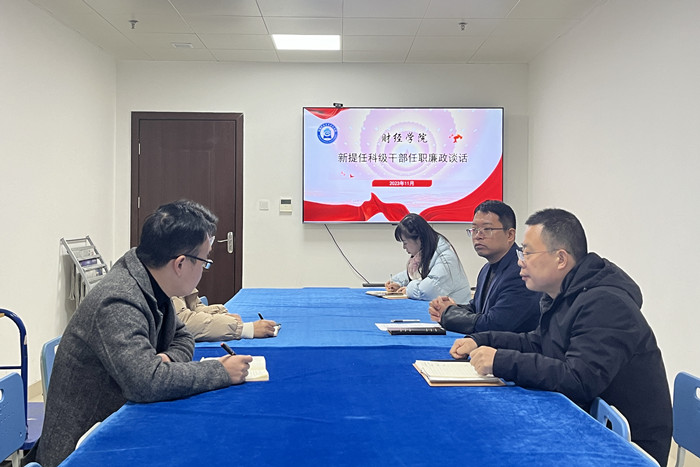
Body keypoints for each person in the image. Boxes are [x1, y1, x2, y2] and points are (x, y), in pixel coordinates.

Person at [33, 200, 253, 467]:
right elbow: (146, 383)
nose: (204, 270)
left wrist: (167, 360)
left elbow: (183, 337)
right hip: (82, 450)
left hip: (118, 425)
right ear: (180, 264)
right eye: (204, 262)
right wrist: (220, 371)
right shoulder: (119, 300)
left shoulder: (152, 284)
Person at [449, 208, 672, 465]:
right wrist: (482, 340)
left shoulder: (605, 304)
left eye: (527, 253)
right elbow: (537, 342)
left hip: (623, 447)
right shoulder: (564, 294)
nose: (520, 261)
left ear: (560, 259)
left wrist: (500, 361)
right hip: (585, 420)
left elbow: (579, 379)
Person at [428, 200, 540, 334]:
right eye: (474, 229)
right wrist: (450, 308)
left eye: (487, 229)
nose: (478, 236)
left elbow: (494, 325)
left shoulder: (522, 271)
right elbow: (477, 310)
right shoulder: (486, 269)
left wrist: (449, 313)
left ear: (510, 235)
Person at [385, 213, 470, 303]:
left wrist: (408, 289)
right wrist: (397, 282)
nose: (404, 247)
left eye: (405, 243)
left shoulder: (446, 259)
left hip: (458, 309)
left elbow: (428, 291)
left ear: (419, 239)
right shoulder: (427, 255)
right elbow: (415, 274)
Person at [172, 288, 278, 341]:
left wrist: (221, 315)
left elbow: (195, 307)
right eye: (203, 263)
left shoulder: (180, 279)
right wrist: (244, 329)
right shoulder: (169, 283)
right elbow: (183, 323)